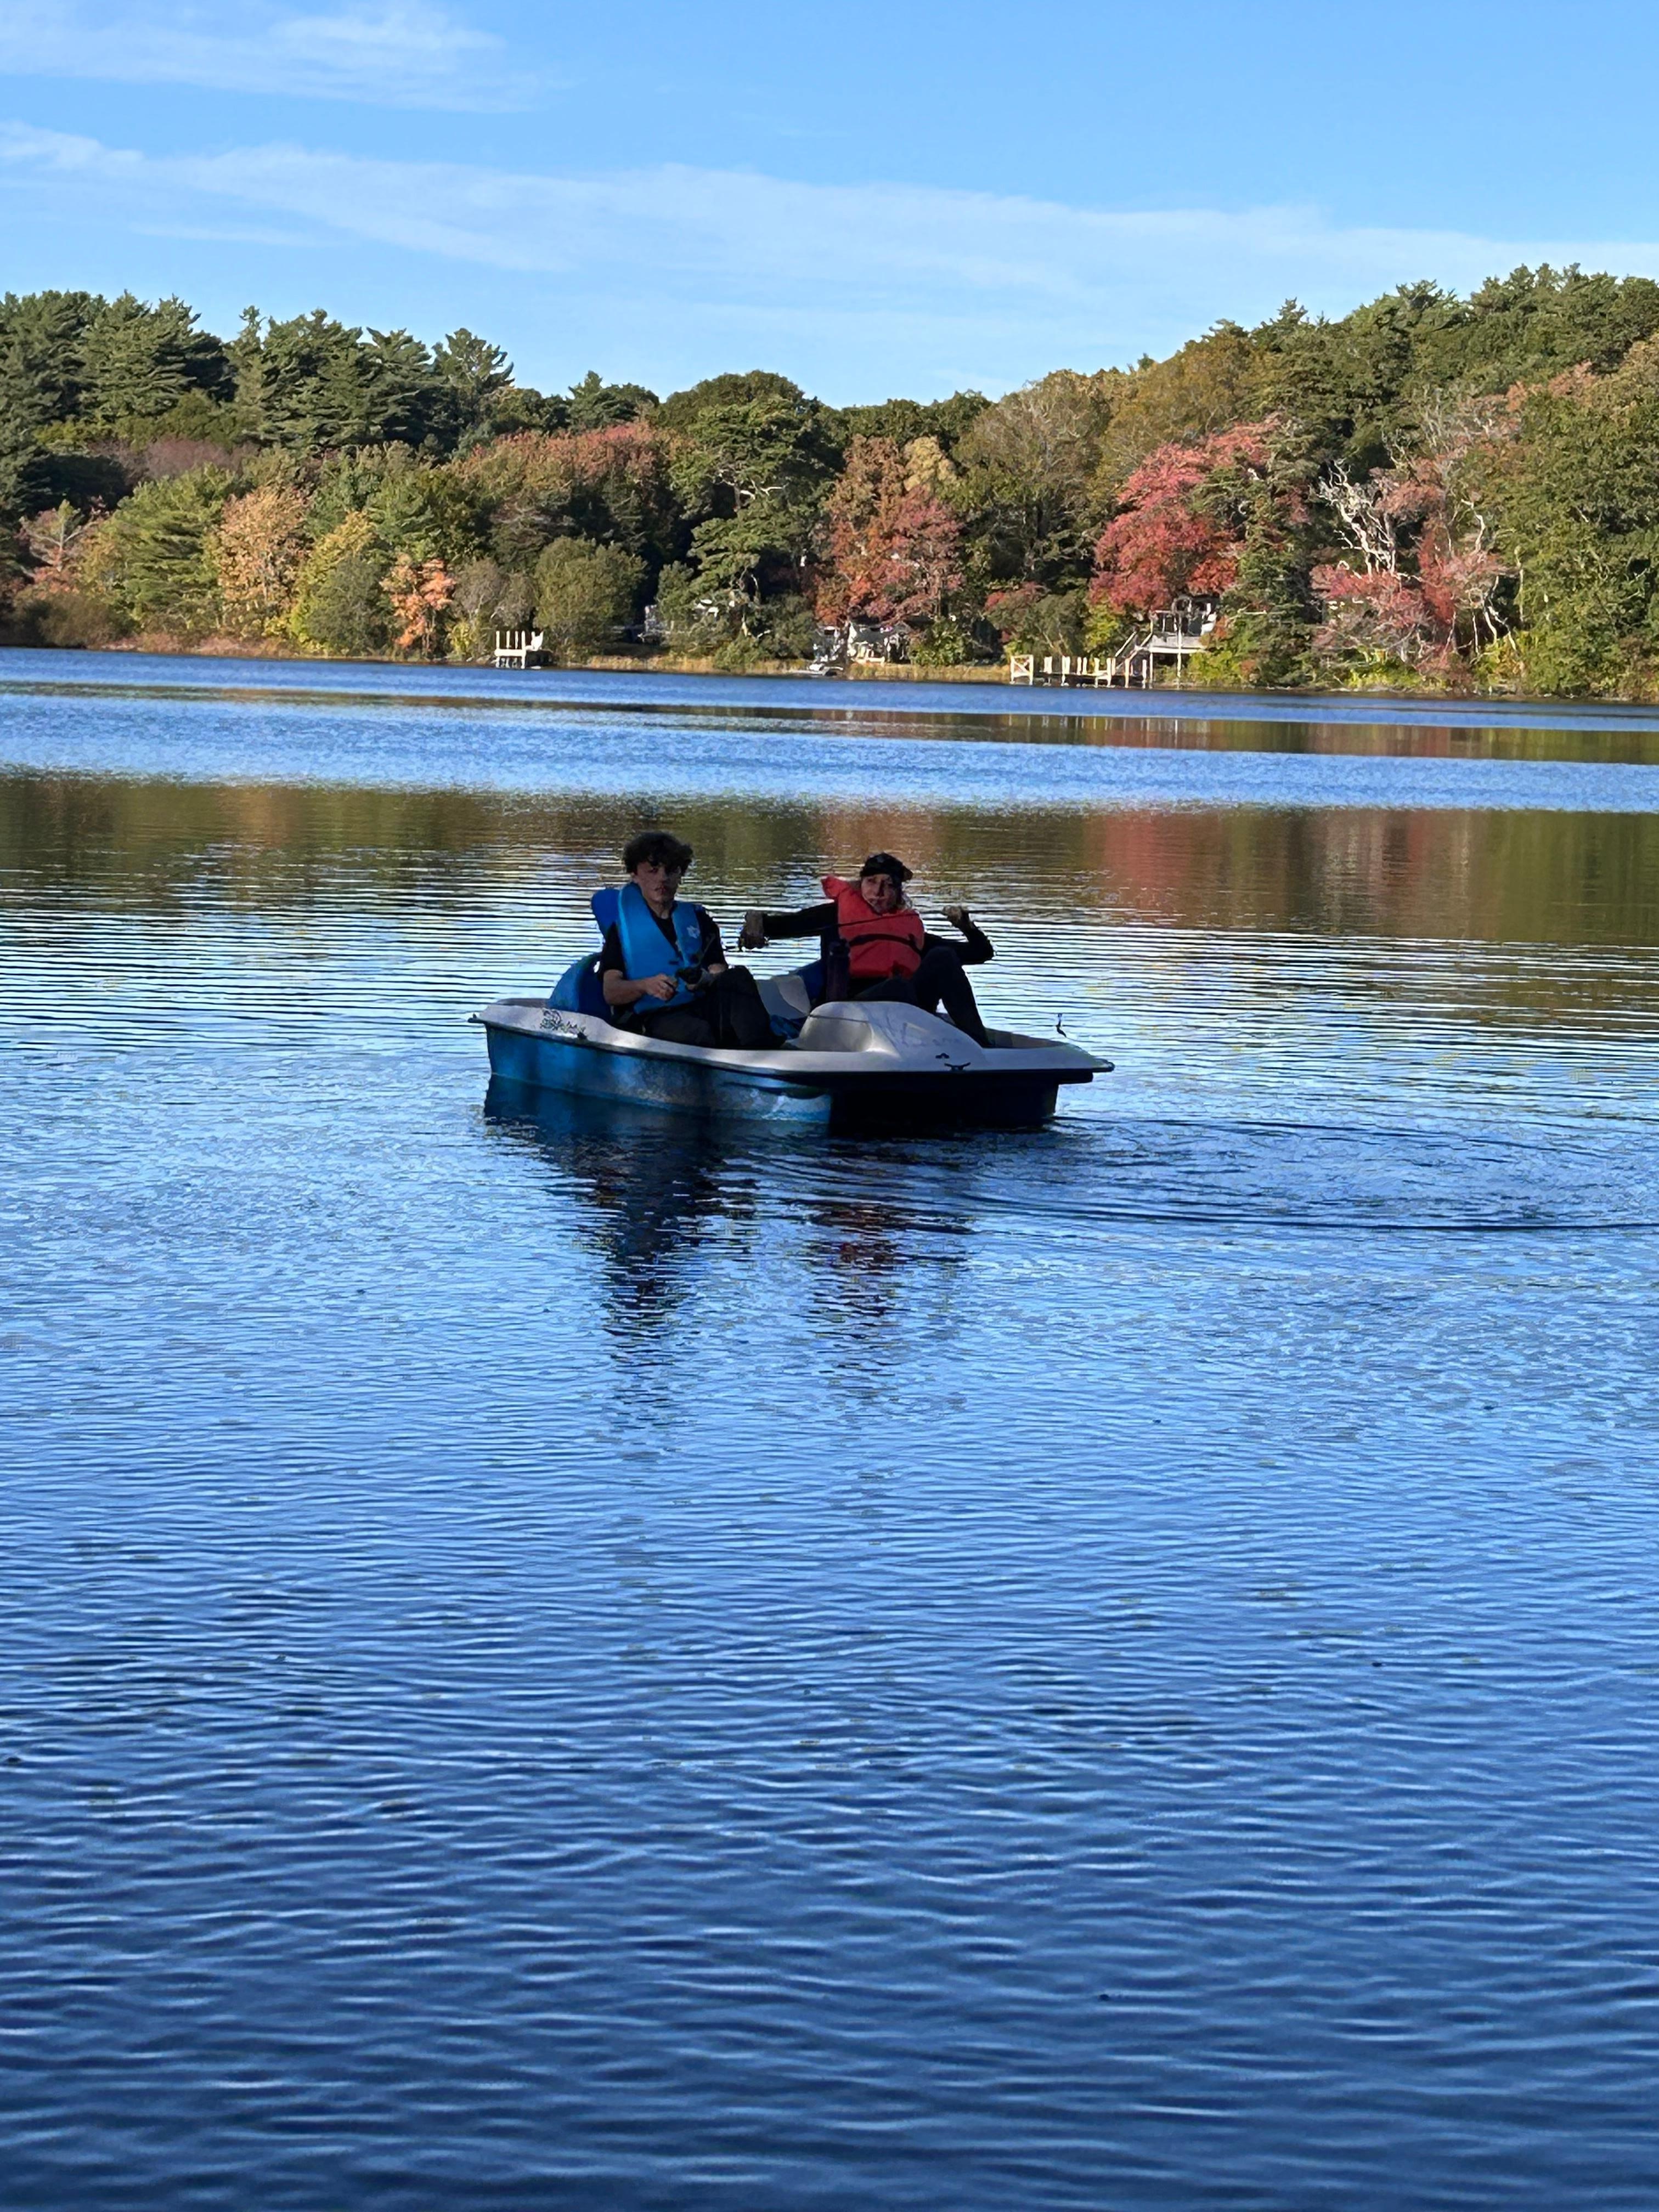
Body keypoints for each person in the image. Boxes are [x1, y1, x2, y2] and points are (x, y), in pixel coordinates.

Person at [739, 851, 994, 1046]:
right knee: (898, 987)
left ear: (898, 892)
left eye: (888, 885)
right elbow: (782, 925)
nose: (879, 892)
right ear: (860, 884)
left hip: (909, 1010)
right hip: (849, 1009)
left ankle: (980, 1047)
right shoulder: (837, 915)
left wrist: (967, 927)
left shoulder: (908, 929)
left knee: (942, 957)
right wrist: (755, 927)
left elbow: (980, 953)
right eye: (871, 882)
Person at [599, 830, 774, 1050]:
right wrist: (645, 986)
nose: (663, 878)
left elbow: (719, 972)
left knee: (739, 977)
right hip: (654, 1016)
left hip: (699, 1006)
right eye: (653, 871)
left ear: (680, 875)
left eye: (671, 871)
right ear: (635, 875)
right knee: (699, 1032)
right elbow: (611, 992)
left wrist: (705, 980)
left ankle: (764, 1053)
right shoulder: (620, 932)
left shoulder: (700, 921)